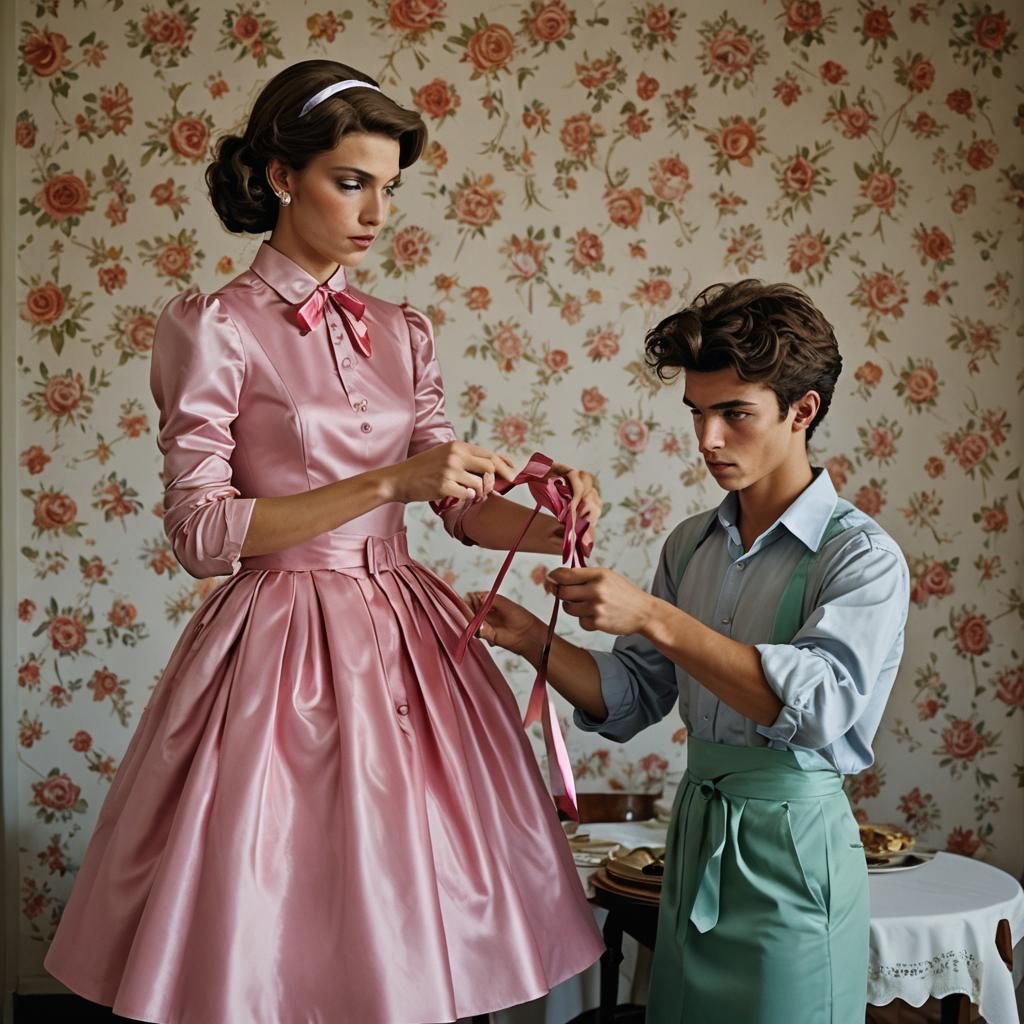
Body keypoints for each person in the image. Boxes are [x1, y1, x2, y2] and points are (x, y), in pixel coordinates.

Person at [44, 60, 604, 1024]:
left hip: (407, 645)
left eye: (390, 186)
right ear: (278, 177)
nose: (376, 211)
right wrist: (388, 481)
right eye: (352, 181)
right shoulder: (213, 326)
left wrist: (559, 514)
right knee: (279, 926)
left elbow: (459, 508)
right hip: (279, 646)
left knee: (415, 912)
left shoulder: (403, 330)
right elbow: (203, 530)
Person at [471, 280, 910, 1024]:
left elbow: (819, 706)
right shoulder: (690, 544)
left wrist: (654, 616)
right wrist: (532, 640)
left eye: (734, 414)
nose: (708, 441)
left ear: (802, 411)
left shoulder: (863, 556)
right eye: (699, 414)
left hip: (797, 862)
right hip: (694, 843)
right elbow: (635, 695)